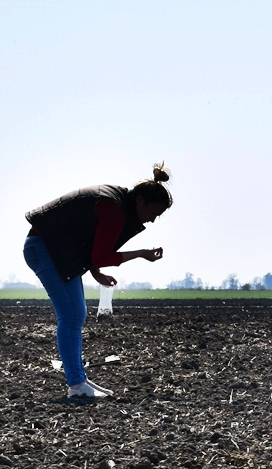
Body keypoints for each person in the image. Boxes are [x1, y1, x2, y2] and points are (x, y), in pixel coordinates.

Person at [24, 164, 173, 398]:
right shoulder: (114, 210)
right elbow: (100, 253)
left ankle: (79, 381)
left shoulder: (118, 201)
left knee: (76, 314)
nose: (152, 220)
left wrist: (96, 272)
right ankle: (76, 385)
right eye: (153, 213)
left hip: (53, 250)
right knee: (71, 315)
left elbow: (86, 236)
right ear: (140, 201)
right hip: (44, 248)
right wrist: (141, 253)